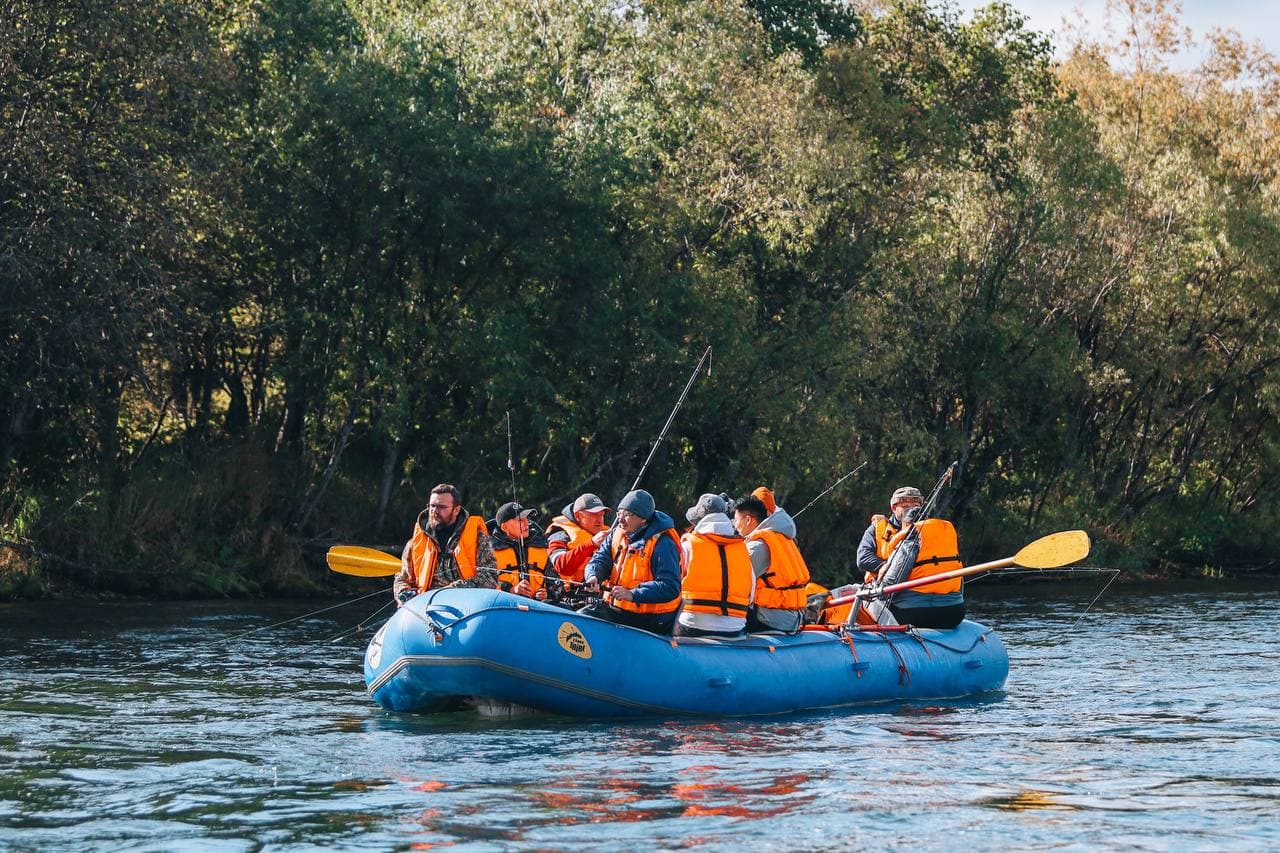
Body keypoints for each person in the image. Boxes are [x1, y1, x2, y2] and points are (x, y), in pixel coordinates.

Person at [855, 485, 964, 629]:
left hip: (910, 607)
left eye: (916, 506)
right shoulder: (878, 529)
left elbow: (891, 583)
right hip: (953, 611)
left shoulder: (921, 534)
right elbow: (863, 559)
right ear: (894, 508)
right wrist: (886, 566)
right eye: (905, 506)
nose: (912, 510)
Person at [580, 489, 681, 634]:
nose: (620, 520)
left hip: (652, 619)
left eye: (627, 515)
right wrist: (593, 576)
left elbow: (670, 586)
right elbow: (601, 559)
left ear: (643, 519)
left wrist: (632, 594)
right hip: (619, 610)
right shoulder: (616, 534)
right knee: (583, 614)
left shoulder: (663, 543)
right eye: (619, 513)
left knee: (587, 616)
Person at [393, 483, 497, 606]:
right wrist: (403, 592)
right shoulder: (416, 540)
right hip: (425, 606)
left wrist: (449, 592)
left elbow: (490, 577)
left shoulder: (477, 537)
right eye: (432, 506)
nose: (434, 511)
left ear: (456, 510)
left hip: (467, 606)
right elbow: (402, 578)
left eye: (441, 507)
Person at [675, 493, 754, 638]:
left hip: (693, 624)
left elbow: (673, 587)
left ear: (699, 520)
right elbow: (752, 594)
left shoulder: (688, 545)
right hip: (734, 627)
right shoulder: (743, 549)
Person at [732, 494, 811, 633]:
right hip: (792, 616)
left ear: (748, 519)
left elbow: (731, 579)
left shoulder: (758, 546)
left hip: (773, 617)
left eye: (736, 520)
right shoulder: (783, 537)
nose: (734, 525)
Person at [488, 501, 554, 600]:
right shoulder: (488, 550)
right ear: (504, 527)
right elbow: (484, 584)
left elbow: (557, 585)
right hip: (504, 608)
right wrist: (511, 590)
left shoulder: (539, 546)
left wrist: (548, 593)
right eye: (520, 520)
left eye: (526, 519)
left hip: (539, 608)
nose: (526, 523)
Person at [545, 493, 612, 589]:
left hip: (597, 597)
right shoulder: (560, 534)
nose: (599, 520)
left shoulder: (607, 535)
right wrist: (591, 543)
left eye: (601, 515)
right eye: (594, 515)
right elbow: (561, 566)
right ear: (578, 516)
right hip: (564, 597)